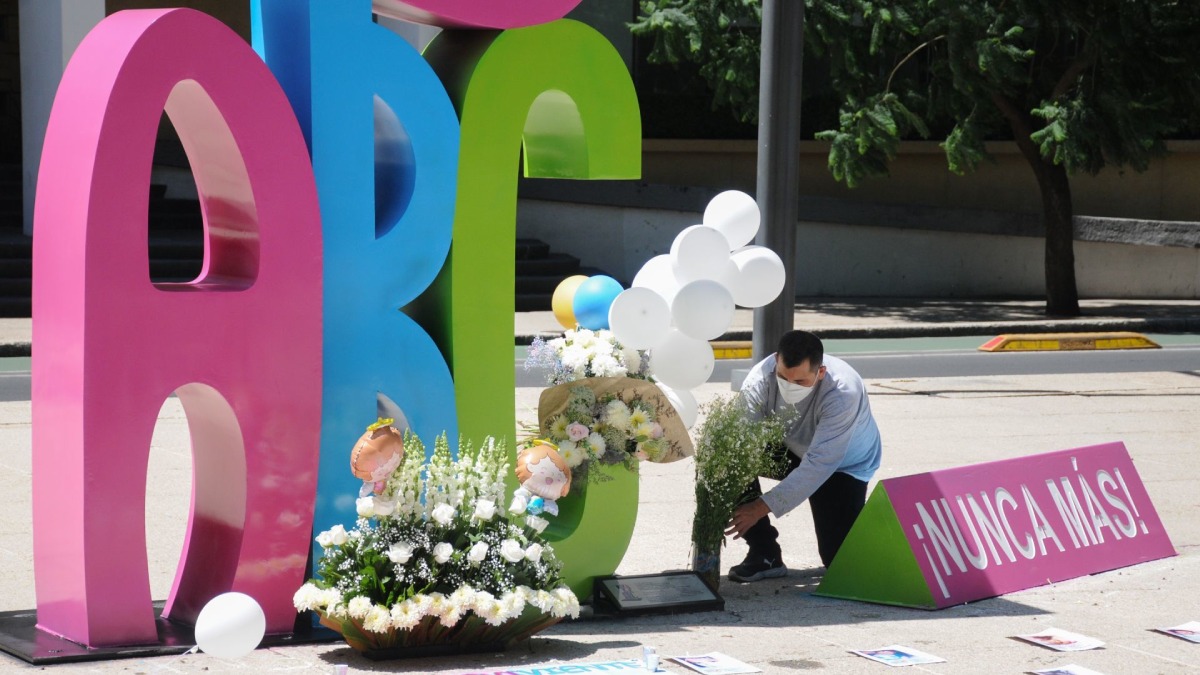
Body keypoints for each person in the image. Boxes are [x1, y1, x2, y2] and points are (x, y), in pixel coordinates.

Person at [724, 330, 882, 582]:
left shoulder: (843, 393)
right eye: (783, 378)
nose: (789, 387)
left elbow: (819, 465)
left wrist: (760, 507)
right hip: (789, 448)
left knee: (841, 561)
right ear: (776, 360)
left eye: (800, 383)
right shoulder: (760, 377)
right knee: (728, 459)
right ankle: (765, 553)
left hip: (841, 465)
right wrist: (727, 487)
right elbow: (740, 439)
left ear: (820, 372)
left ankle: (878, 529)